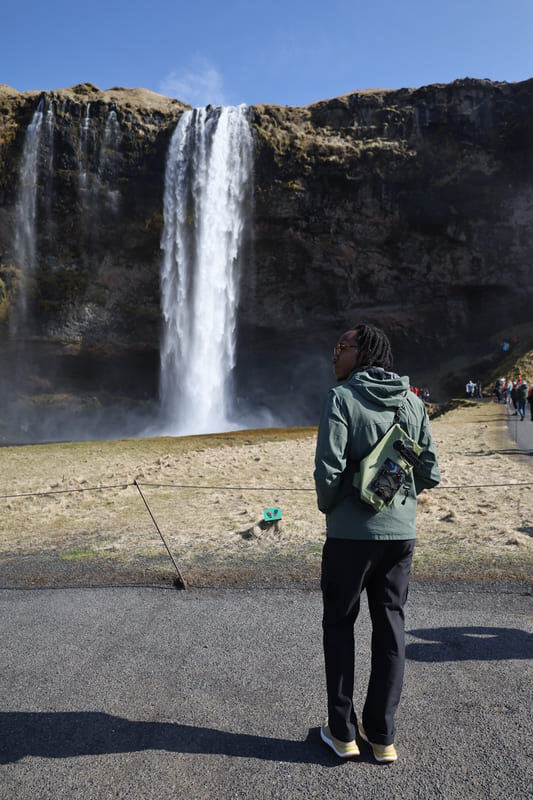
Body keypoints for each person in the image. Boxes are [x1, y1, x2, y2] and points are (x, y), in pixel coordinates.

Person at [314, 324, 440, 763]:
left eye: (341, 347)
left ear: (363, 353)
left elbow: (328, 475)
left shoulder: (342, 398)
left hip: (350, 537)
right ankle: (382, 737)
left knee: (339, 625)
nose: (334, 355)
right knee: (391, 630)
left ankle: (343, 733)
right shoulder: (412, 402)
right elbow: (430, 473)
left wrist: (333, 504)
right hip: (400, 537)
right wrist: (396, 498)